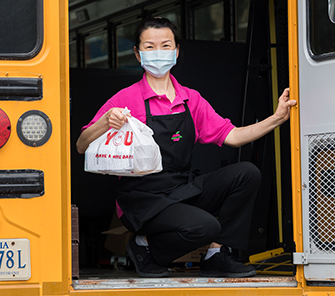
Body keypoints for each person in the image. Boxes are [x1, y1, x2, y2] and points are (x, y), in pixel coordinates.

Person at [76, 17, 296, 279]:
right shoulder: (126, 98)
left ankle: (216, 254)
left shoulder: (191, 99)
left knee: (247, 173)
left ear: (177, 51)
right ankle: (144, 246)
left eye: (165, 45)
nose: (158, 52)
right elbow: (81, 145)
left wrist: (276, 118)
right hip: (142, 198)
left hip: (181, 187)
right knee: (205, 226)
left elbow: (234, 136)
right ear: (137, 54)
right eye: (149, 46)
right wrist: (104, 121)